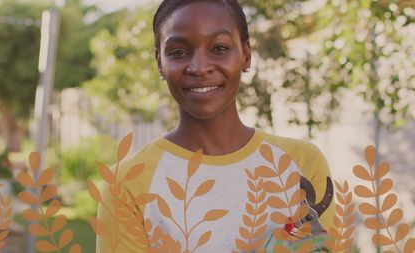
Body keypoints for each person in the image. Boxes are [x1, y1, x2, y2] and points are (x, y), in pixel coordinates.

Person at [96, 0, 335, 252]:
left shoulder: (303, 163)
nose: (199, 68)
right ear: (159, 63)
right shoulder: (126, 183)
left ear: (246, 55)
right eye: (178, 52)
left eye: (219, 48)